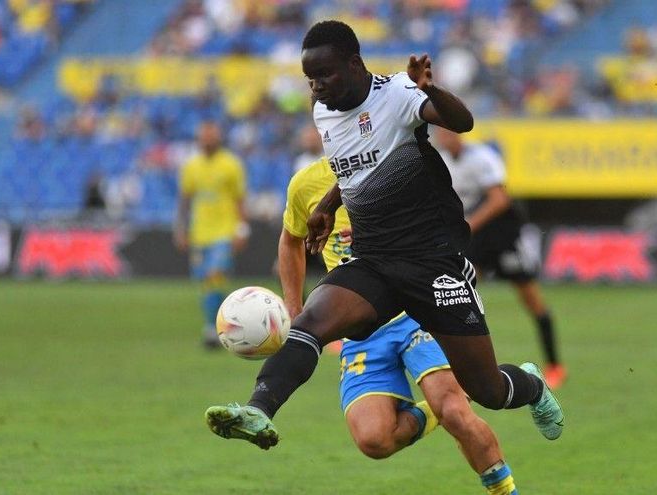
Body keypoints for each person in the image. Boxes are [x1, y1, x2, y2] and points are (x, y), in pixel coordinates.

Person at [204, 20, 563, 452]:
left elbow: (461, 122)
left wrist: (430, 90)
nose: (316, 87)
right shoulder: (324, 112)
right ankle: (258, 409)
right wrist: (327, 205)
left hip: (433, 262)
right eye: (310, 79)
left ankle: (532, 384)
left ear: (354, 64)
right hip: (374, 259)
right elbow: (353, 164)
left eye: (325, 75)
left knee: (487, 389)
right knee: (311, 322)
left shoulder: (398, 94)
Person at [277, 156, 519, 494]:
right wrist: (294, 310)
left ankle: (504, 489)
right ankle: (451, 400)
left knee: (453, 411)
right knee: (374, 440)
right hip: (361, 325)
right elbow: (290, 241)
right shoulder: (305, 184)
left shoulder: (398, 165)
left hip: (416, 308)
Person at [434, 127, 567, 388]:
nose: (444, 137)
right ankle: (456, 368)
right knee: (458, 296)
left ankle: (554, 366)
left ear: (457, 133)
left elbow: (500, 200)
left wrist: (468, 225)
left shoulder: (481, 157)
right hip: (477, 238)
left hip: (503, 234)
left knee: (531, 300)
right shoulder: (440, 160)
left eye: (448, 132)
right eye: (440, 133)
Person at [174, 121, 249, 349]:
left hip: (223, 232)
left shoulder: (231, 165)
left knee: (214, 275)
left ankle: (212, 330)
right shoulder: (191, 166)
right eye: (203, 136)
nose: (207, 140)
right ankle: (218, 323)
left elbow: (240, 200)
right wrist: (181, 229)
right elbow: (185, 201)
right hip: (199, 234)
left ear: (218, 138)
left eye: (211, 136)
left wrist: (242, 229)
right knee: (206, 282)